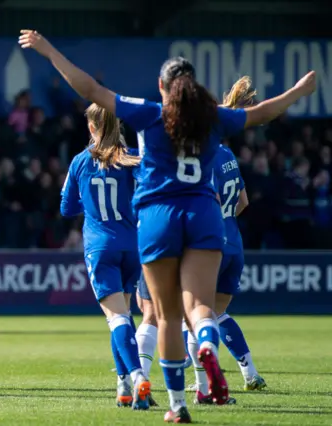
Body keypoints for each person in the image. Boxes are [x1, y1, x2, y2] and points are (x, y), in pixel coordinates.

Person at [19, 29, 316, 423]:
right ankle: (207, 346)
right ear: (194, 85)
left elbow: (90, 89)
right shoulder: (215, 120)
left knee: (166, 315)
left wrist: (47, 50)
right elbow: (264, 112)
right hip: (205, 215)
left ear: (161, 86)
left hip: (158, 217)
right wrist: (299, 89)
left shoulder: (148, 113)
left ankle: (177, 405)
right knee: (201, 309)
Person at [61, 103, 150, 410]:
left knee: (116, 319)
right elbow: (148, 192)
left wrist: (88, 203)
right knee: (122, 315)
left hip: (100, 247)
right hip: (132, 245)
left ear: (90, 127)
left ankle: (138, 377)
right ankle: (123, 386)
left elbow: (66, 208)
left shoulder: (80, 162)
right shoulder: (130, 159)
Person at [186, 77, 266, 399]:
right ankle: (250, 372)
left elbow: (211, 198)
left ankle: (203, 382)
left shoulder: (205, 158)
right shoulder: (229, 155)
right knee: (217, 314)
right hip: (235, 244)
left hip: (210, 246)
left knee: (192, 313)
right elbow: (243, 201)